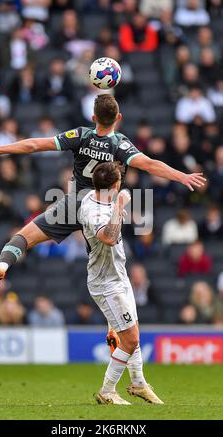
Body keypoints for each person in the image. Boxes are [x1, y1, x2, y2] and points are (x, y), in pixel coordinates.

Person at [0, 93, 205, 286]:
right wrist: (182, 176)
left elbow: (36, 144)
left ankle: (1, 267)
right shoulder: (120, 144)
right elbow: (150, 165)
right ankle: (116, 324)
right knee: (111, 271)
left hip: (73, 204)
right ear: (118, 117)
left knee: (23, 238)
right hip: (101, 209)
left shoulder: (80, 135)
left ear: (93, 117)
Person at [79, 162, 163, 405]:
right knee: (131, 339)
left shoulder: (96, 198)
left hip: (119, 276)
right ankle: (107, 390)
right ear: (115, 185)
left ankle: (139, 383)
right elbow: (108, 237)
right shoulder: (93, 210)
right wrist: (119, 206)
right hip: (106, 283)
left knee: (132, 332)